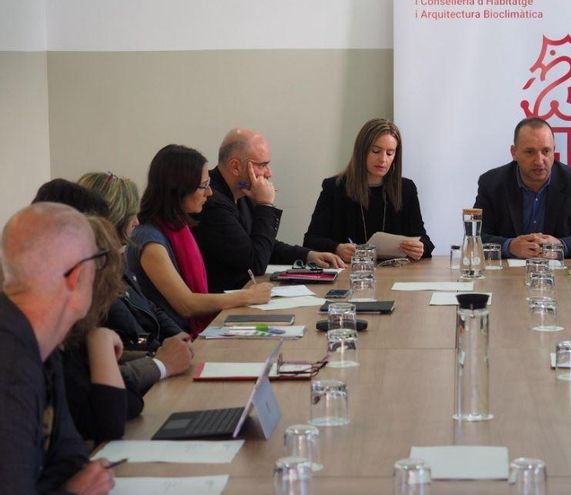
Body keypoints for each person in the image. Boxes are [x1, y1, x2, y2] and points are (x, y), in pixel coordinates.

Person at [37, 176, 193, 396]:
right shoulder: (62, 304)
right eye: (132, 215)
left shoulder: (113, 263)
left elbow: (147, 307)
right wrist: (160, 361)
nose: (137, 222)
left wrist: (174, 344)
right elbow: (101, 395)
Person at [0, 203, 115, 494]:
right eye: (98, 260)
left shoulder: (40, 342)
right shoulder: (11, 368)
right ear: (76, 277)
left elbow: (69, 454)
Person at [128, 144, 272, 335]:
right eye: (203, 186)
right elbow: (186, 304)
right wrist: (247, 296)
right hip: (172, 341)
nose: (210, 193)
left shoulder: (180, 228)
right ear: (178, 190)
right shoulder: (150, 241)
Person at [192, 128, 344, 293]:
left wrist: (307, 255)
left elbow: (262, 243)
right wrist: (265, 205)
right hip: (224, 304)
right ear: (235, 166)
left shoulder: (242, 191)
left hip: (247, 292)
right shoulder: (212, 202)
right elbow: (255, 262)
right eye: (262, 165)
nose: (269, 173)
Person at [474, 117, 571, 259]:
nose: (539, 161)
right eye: (530, 152)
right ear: (514, 152)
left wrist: (561, 246)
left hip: (561, 276)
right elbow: (475, 238)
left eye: (546, 151)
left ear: (554, 151)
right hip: (508, 276)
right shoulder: (491, 183)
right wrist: (509, 246)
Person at [303, 118, 434, 262]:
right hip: (350, 274)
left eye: (390, 153)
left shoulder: (406, 188)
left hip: (395, 274)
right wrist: (337, 248)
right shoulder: (335, 188)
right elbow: (311, 241)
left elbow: (423, 238)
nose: (383, 159)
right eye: (376, 151)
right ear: (361, 151)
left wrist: (421, 247)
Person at [61, 216, 142, 442]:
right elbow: (108, 423)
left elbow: (132, 401)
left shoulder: (77, 332)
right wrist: (102, 345)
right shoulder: (54, 345)